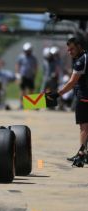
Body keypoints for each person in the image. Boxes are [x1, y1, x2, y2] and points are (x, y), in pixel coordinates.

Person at [48, 37, 88, 166]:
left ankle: (82, 155)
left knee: (84, 127)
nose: (69, 52)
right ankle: (83, 152)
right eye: (68, 49)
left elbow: (71, 82)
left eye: (72, 49)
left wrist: (57, 94)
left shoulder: (80, 61)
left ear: (79, 46)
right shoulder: (85, 57)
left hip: (84, 97)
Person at [15, 42, 38, 108]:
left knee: (31, 90)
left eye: (28, 51)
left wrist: (35, 75)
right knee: (22, 90)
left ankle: (31, 104)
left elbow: (35, 66)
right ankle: (22, 104)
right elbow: (17, 65)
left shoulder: (33, 57)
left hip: (30, 76)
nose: (27, 52)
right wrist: (17, 74)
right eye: (26, 51)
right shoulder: (21, 57)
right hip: (23, 76)